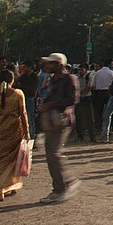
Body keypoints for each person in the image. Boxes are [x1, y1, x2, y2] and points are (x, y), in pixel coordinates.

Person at [37, 53, 81, 204]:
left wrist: (49, 105)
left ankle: (60, 188)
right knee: (53, 154)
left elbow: (72, 99)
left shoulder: (68, 79)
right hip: (53, 120)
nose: (47, 66)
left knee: (53, 154)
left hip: (60, 120)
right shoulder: (53, 79)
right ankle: (66, 182)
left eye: (51, 63)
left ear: (59, 65)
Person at [0, 69, 29, 201]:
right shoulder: (18, 93)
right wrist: (27, 131)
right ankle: (11, 185)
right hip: (15, 128)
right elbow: (23, 113)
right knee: (13, 159)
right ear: (13, 79)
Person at [14, 60, 38, 139]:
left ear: (30, 67)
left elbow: (32, 90)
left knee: (30, 117)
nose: (23, 69)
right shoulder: (23, 76)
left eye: (25, 67)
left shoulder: (34, 77)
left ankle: (32, 135)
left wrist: (22, 86)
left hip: (30, 98)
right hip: (23, 97)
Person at [74, 64, 96, 142]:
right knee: (78, 118)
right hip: (79, 99)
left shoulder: (89, 76)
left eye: (82, 69)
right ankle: (80, 135)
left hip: (87, 98)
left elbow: (89, 87)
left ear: (86, 70)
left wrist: (80, 93)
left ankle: (92, 136)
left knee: (89, 118)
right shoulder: (76, 77)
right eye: (79, 69)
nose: (80, 71)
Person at [92, 59, 113, 134]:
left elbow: (94, 85)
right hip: (108, 92)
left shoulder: (97, 73)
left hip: (99, 92)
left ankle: (98, 128)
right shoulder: (111, 73)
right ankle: (108, 128)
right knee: (109, 112)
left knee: (98, 111)